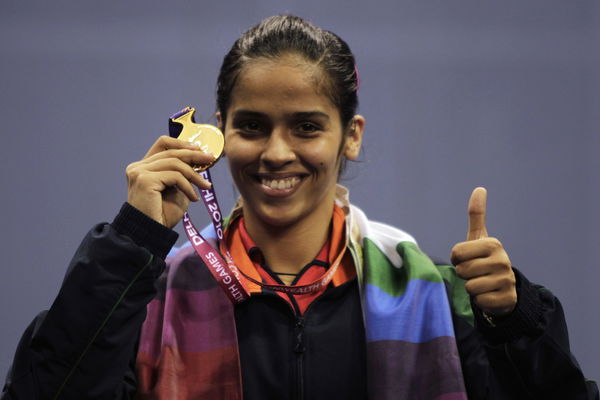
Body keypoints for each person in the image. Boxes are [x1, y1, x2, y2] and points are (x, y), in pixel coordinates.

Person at [1, 15, 598, 400]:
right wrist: (130, 246)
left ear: (351, 135)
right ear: (218, 133)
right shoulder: (151, 296)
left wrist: (516, 325)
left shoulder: (439, 295)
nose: (276, 153)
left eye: (307, 126)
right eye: (252, 126)